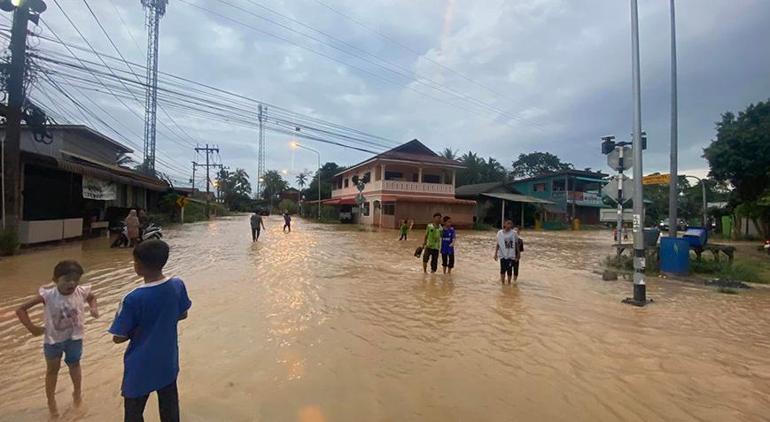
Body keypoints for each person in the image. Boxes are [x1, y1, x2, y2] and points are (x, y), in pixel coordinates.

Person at [109, 240, 192, 422]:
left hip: (140, 365)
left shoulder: (132, 299)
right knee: (169, 407)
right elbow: (183, 314)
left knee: (134, 412)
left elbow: (118, 337)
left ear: (138, 265)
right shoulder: (177, 285)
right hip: (167, 359)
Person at [15, 260, 99, 418]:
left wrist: (93, 308)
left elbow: (92, 298)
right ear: (55, 279)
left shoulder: (80, 291)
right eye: (67, 280)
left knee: (75, 366)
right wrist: (32, 328)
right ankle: (51, 403)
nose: (72, 283)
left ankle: (77, 396)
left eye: (76, 279)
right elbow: (20, 309)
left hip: (74, 338)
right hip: (53, 341)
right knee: (52, 371)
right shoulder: (48, 295)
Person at [494, 220, 520, 285]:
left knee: (509, 270)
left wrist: (518, 254)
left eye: (511, 224)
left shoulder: (514, 233)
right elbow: (498, 244)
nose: (509, 225)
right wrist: (495, 254)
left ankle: (509, 283)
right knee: (502, 270)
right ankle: (502, 283)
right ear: (504, 224)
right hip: (502, 254)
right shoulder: (500, 233)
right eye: (508, 223)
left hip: (510, 255)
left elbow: (516, 244)